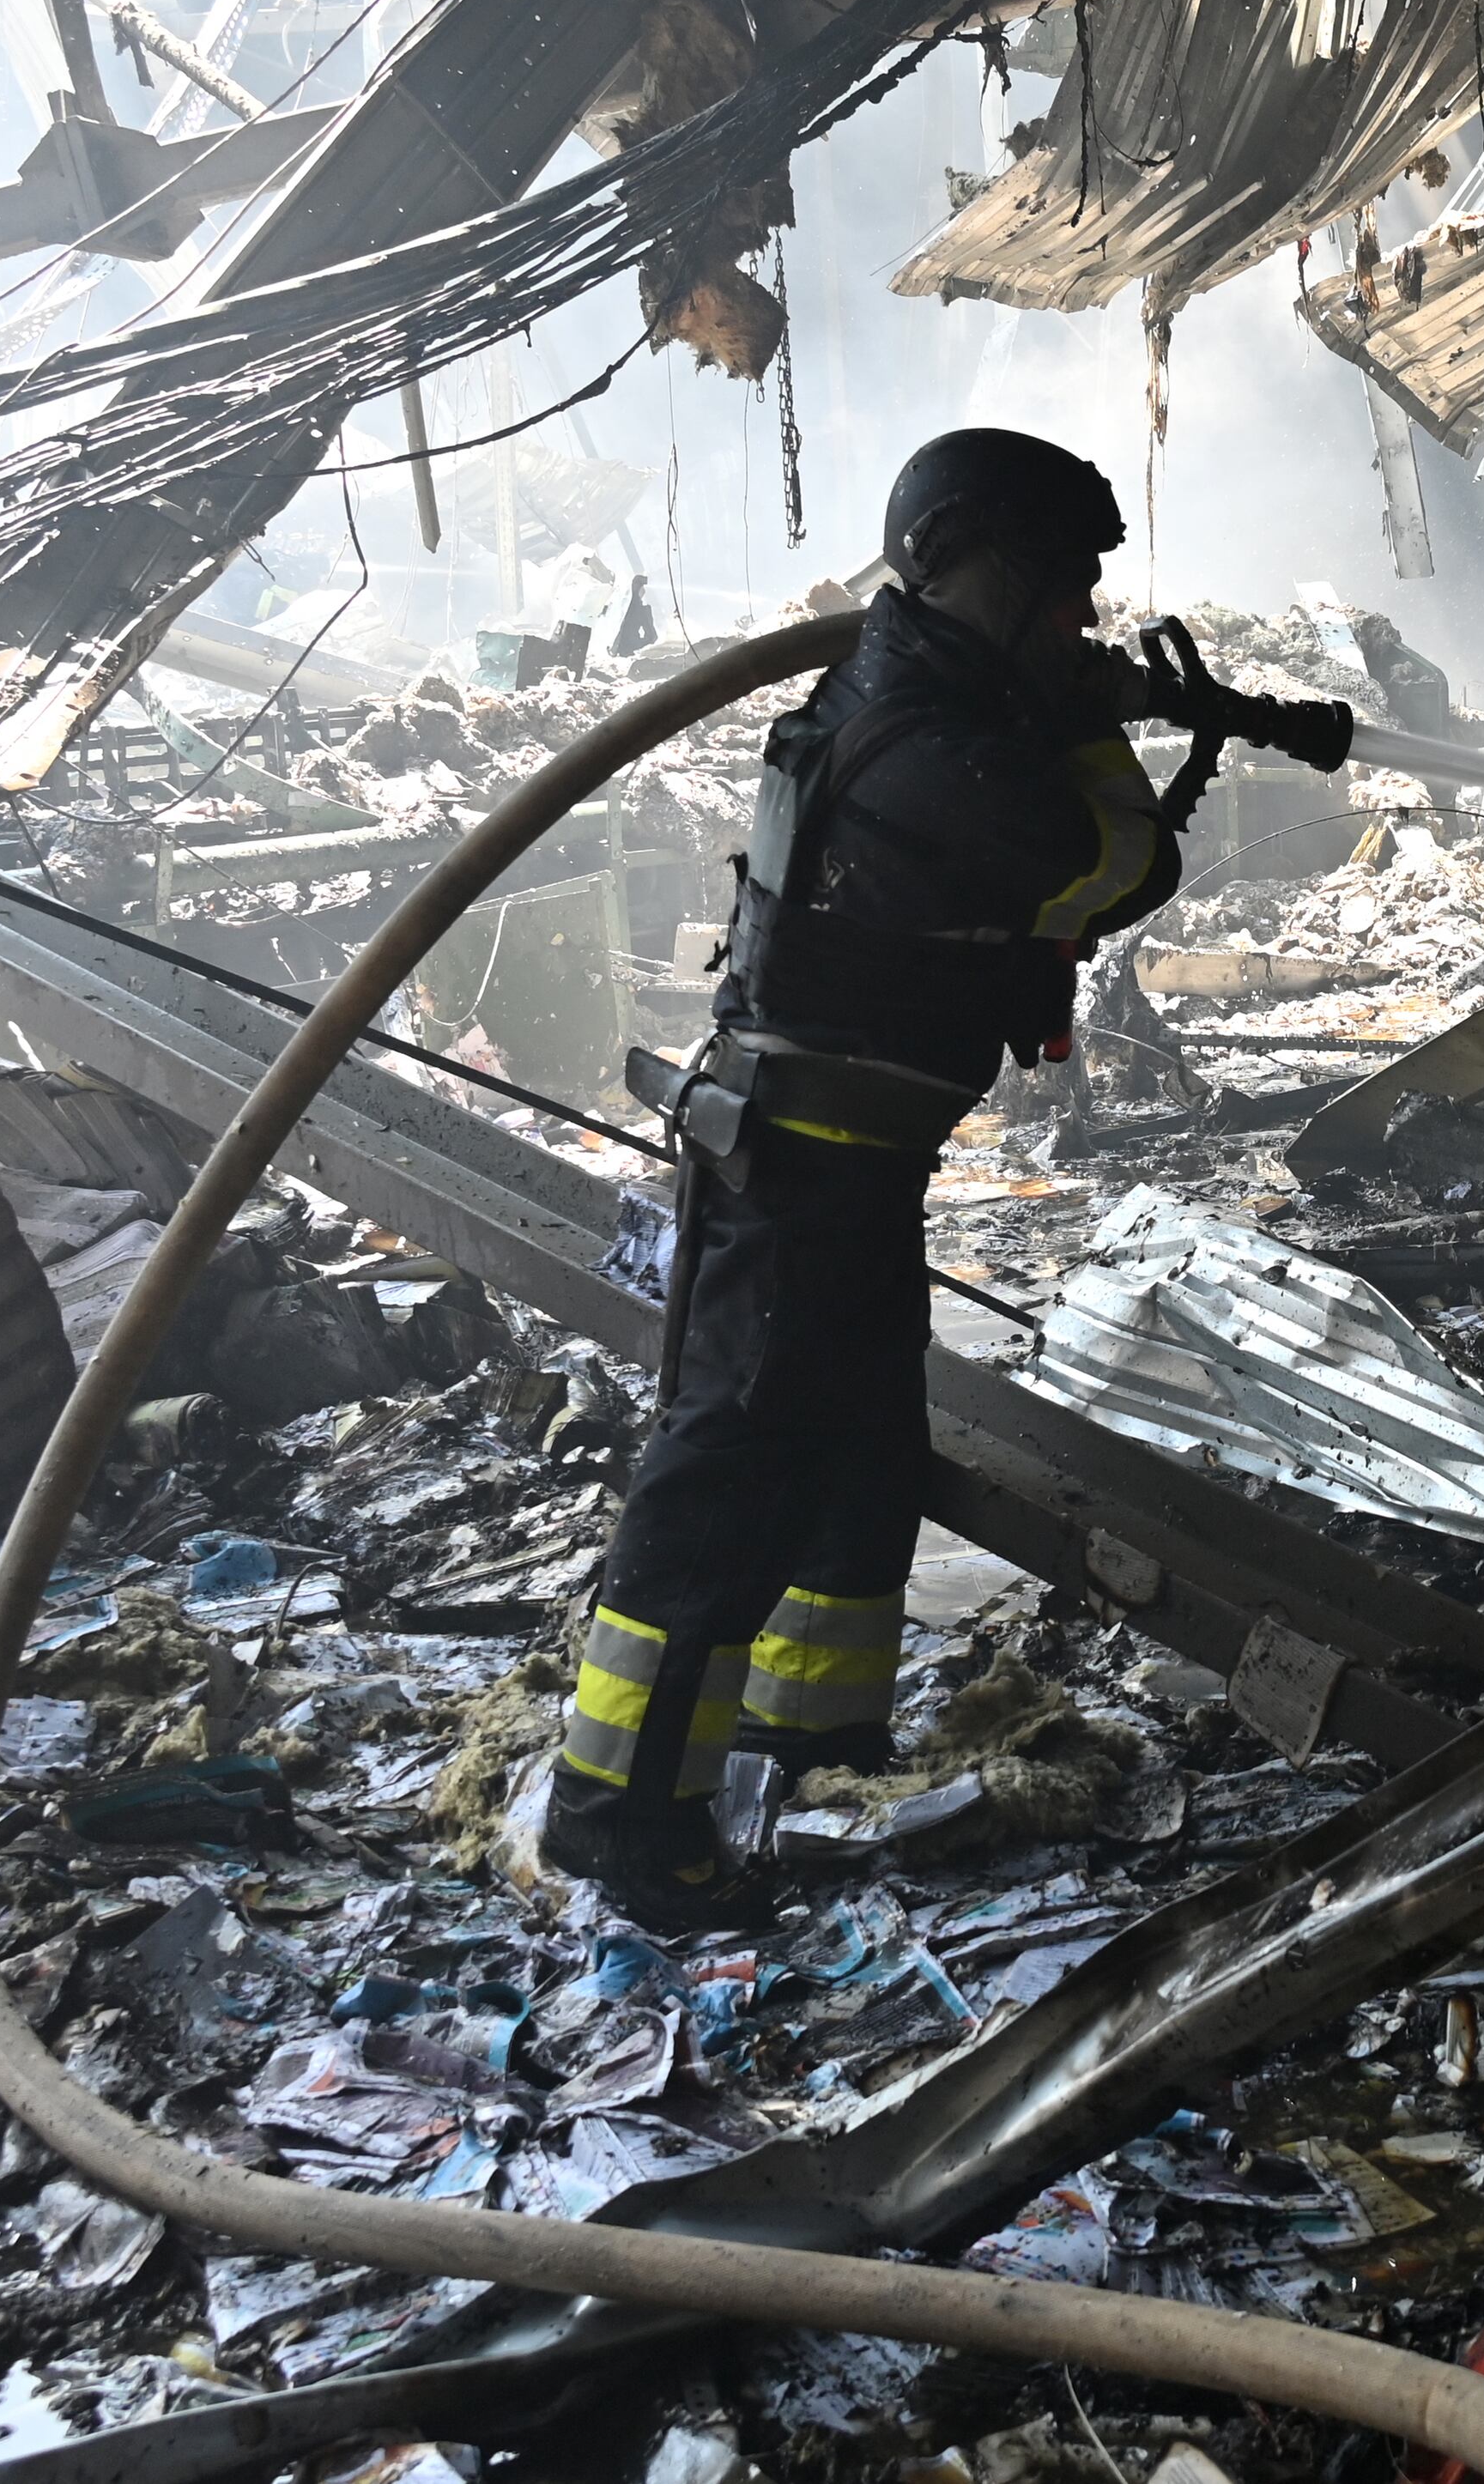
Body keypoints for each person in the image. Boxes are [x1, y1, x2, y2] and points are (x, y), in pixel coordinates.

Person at [543, 428, 1348, 1927]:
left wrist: (1051, 695)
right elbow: (1116, 865)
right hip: (798, 1166)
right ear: (963, 562)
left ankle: (808, 1745)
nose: (1079, 622)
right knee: (730, 1480)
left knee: (854, 1466)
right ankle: (621, 1816)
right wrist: (1081, 721)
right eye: (1054, 591)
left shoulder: (945, 708)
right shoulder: (920, 745)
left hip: (853, 1168)